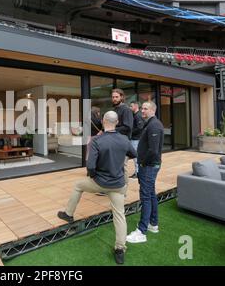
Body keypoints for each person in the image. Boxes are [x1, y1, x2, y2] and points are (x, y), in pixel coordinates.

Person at [57, 111, 137, 265]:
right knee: (119, 215)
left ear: (103, 121)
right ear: (117, 121)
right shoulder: (124, 139)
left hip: (100, 183)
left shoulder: (97, 141)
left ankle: (68, 214)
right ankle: (120, 249)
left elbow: (91, 166)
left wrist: (94, 176)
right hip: (118, 185)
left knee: (78, 185)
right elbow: (133, 154)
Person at [126, 101, 164, 244]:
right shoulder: (150, 123)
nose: (142, 111)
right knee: (151, 194)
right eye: (141, 108)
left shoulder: (154, 125)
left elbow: (153, 151)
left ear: (153, 110)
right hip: (148, 165)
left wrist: (142, 162)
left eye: (145, 108)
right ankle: (153, 223)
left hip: (148, 166)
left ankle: (142, 231)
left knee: (146, 197)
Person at [129, 101, 145, 179]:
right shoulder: (135, 115)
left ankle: (138, 173)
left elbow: (140, 127)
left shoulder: (138, 115)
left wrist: (130, 132)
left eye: (131, 106)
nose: (130, 107)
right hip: (135, 139)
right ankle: (137, 172)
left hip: (136, 139)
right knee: (135, 157)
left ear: (136, 106)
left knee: (136, 157)